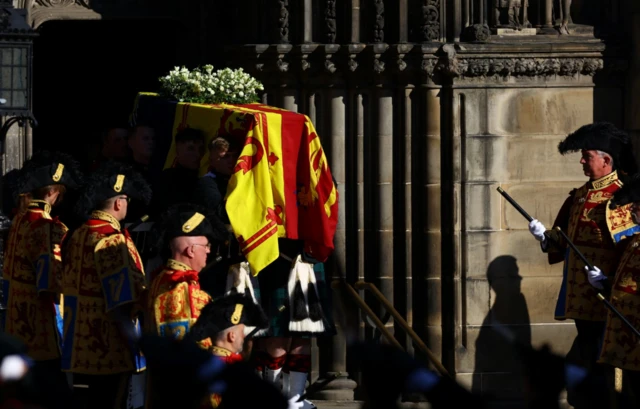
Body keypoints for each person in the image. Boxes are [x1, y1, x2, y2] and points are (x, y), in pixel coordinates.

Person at [527, 122, 638, 409]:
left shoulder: (623, 196)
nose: (582, 161)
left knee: (605, 362)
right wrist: (545, 237)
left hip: (609, 300)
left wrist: (609, 279)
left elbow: (632, 250)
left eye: (587, 156)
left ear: (606, 160)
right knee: (587, 356)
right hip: (580, 300)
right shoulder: (579, 195)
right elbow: (563, 240)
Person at [61, 161, 151, 409]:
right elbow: (123, 300)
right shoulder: (111, 240)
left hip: (77, 347)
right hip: (108, 348)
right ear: (118, 203)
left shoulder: (78, 233)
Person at [2, 151, 83, 409]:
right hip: (39, 316)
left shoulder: (20, 218)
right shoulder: (46, 225)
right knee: (50, 383)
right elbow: (49, 278)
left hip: (16, 309)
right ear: (53, 193)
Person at [585, 174, 640, 408]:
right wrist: (605, 283)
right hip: (623, 336)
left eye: (638, 205)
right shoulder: (634, 241)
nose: (633, 209)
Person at [187, 293, 270, 408]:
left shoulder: (200, 365)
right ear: (232, 336)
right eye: (242, 332)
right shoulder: (231, 371)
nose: (244, 337)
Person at [152, 128, 205, 216]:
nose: (198, 154)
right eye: (191, 149)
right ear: (177, 150)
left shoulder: (205, 176)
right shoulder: (168, 179)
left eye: (201, 149)